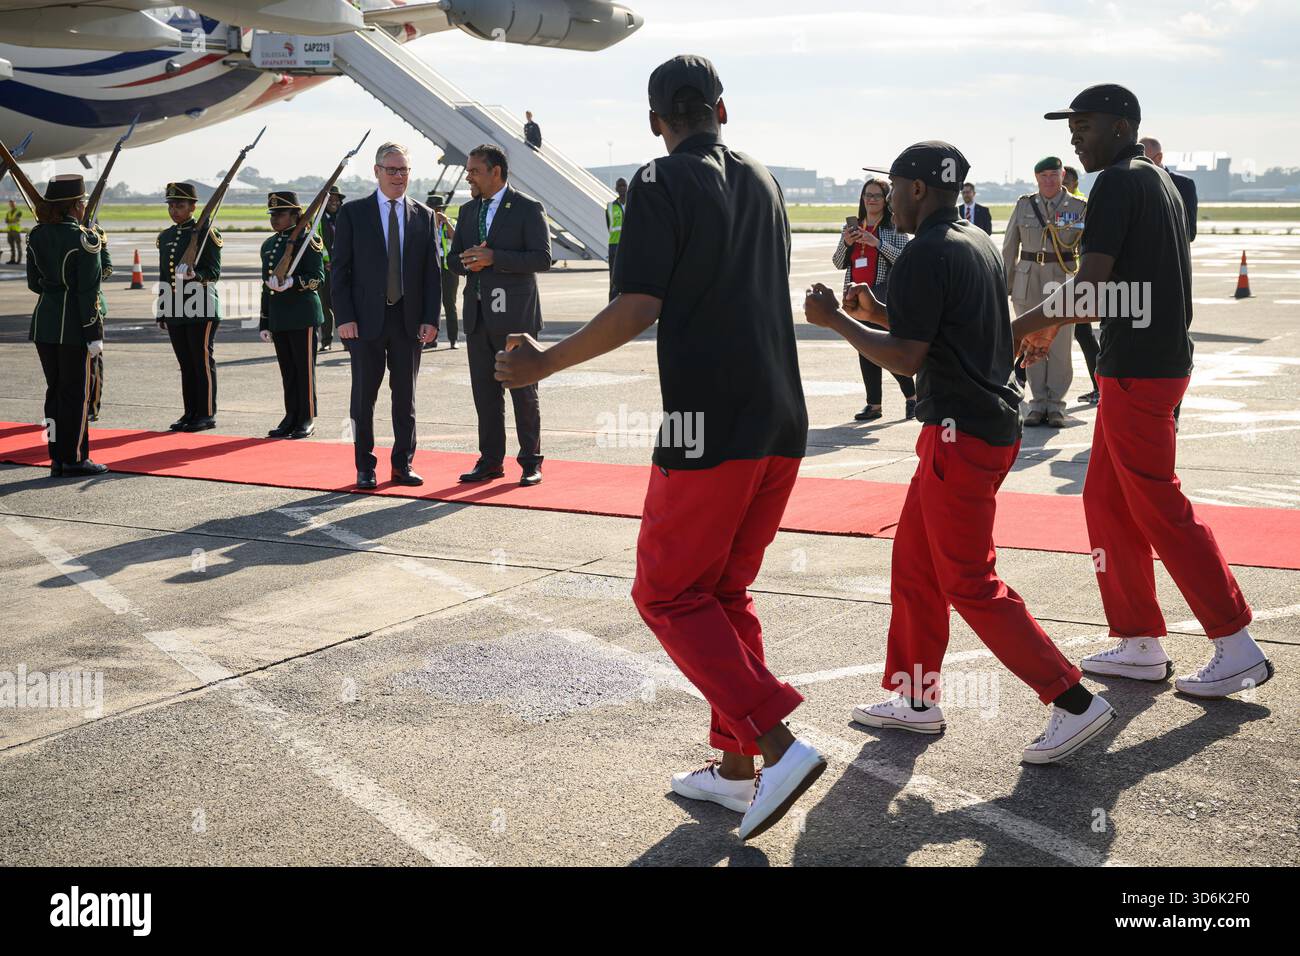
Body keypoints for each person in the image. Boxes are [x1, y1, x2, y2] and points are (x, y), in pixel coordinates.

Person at [495, 55, 827, 841]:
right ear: (722, 107)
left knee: (667, 594)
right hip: (782, 417)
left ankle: (777, 744)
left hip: (706, 422)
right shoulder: (764, 178)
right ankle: (739, 766)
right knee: (721, 594)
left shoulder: (654, 182)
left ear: (655, 121)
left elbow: (637, 304)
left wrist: (541, 362)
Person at [804, 141, 1114, 764]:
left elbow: (908, 358)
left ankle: (1074, 700)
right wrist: (877, 311)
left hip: (960, 433)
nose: (887, 197)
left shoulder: (923, 252)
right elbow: (936, 328)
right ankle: (916, 698)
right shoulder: (970, 239)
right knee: (915, 564)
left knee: (968, 580)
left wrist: (836, 320)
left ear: (917, 189)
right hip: (978, 426)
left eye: (892, 186)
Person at [1015, 84, 1273, 699]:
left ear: (1122, 127)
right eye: (1070, 125)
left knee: (1158, 504)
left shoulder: (1120, 183)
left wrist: (1018, 326)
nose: (1074, 136)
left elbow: (1092, 281)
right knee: (1105, 500)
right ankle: (1138, 641)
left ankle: (1236, 644)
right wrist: (1050, 321)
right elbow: (1111, 287)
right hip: (1140, 360)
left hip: (1142, 367)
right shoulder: (1151, 178)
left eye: (1084, 125)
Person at [331, 141, 441, 490]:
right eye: (391, 169)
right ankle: (365, 466)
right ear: (376, 171)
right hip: (364, 322)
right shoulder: (354, 213)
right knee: (363, 397)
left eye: (404, 170)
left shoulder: (423, 215)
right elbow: (340, 271)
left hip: (408, 322)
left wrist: (431, 318)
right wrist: (344, 317)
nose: (398, 176)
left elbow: (432, 273)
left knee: (404, 398)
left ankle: (403, 464)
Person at [448, 144, 550, 487]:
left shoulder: (526, 208)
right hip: (477, 316)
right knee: (485, 394)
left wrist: (494, 257)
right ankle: (490, 461)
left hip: (515, 320)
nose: (468, 176)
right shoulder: (466, 212)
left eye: (474, 170)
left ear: (496, 172)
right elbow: (453, 260)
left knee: (523, 392)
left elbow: (541, 259)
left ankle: (530, 461)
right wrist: (467, 260)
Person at [25, 174, 108, 476]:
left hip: (44, 323)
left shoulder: (36, 235)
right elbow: (88, 292)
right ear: (75, 205)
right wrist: (93, 332)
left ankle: (56, 457)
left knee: (54, 393)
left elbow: (35, 284)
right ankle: (74, 458)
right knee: (76, 394)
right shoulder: (84, 239)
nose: (85, 207)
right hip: (73, 325)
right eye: (83, 202)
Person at [1001, 156, 1086, 427]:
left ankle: (1057, 405)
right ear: (1036, 178)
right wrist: (1007, 283)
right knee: (1029, 342)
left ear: (1063, 176)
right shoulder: (1024, 204)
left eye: (1054, 174)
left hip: (1061, 278)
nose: (1048, 180)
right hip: (1028, 278)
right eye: (1043, 175)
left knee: (1060, 345)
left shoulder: (1078, 207)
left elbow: (1087, 248)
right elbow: (1009, 247)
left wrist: (1085, 287)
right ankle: (1037, 404)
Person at [831, 176, 915, 421]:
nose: (871, 200)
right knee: (865, 349)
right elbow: (838, 263)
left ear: (886, 199)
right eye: (867, 195)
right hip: (855, 297)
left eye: (877, 195)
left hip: (882, 296)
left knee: (885, 350)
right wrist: (847, 243)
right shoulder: (853, 226)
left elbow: (904, 261)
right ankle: (874, 404)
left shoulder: (894, 227)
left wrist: (876, 243)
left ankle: (912, 397)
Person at [156, 181, 222, 432]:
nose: (174, 210)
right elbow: (164, 275)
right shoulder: (167, 236)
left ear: (193, 206)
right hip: (175, 307)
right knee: (185, 362)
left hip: (201, 306)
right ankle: (190, 411)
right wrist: (162, 309)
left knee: (201, 361)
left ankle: (205, 413)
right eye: (171, 205)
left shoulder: (206, 234)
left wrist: (195, 275)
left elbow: (214, 272)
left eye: (180, 205)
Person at [259, 191, 325, 439]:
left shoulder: (309, 241)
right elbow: (265, 285)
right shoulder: (269, 245)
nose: (275, 219)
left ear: (296, 215)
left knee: (304, 369)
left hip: (302, 314)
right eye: (272, 214)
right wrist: (264, 320)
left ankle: (306, 417)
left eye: (281, 214)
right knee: (287, 369)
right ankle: (291, 415)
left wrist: (293, 282)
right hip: (279, 317)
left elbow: (318, 279)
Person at [1139, 137, 1197, 241]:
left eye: (1144, 160)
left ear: (1159, 157)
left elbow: (1190, 232)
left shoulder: (1184, 184)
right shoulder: (1135, 183)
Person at [428, 191, 459, 349]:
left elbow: (457, 238)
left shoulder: (450, 222)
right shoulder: (425, 223)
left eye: (438, 209)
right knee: (432, 304)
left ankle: (453, 339)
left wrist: (446, 222)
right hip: (432, 267)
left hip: (448, 268)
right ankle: (430, 340)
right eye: (433, 209)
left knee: (449, 304)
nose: (436, 212)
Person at [316, 185, 344, 351]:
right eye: (330, 199)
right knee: (325, 307)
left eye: (336, 199)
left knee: (342, 305)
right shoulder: (316, 221)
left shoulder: (347, 218)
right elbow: (314, 243)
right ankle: (326, 341)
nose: (333, 202)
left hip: (343, 269)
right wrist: (324, 262)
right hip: (324, 269)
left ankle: (348, 341)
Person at [606, 177, 627, 300]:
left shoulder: (634, 204)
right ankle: (612, 305)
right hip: (614, 246)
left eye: (624, 185)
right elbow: (609, 225)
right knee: (613, 279)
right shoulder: (610, 207)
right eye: (620, 186)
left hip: (631, 246)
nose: (622, 188)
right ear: (616, 189)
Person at [5, 198, 21, 263]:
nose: (11, 204)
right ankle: (12, 259)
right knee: (12, 247)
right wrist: (11, 220)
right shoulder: (8, 212)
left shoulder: (18, 211)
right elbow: (6, 221)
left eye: (13, 203)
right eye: (10, 203)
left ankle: (18, 260)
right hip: (9, 231)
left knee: (18, 246)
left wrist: (9, 221)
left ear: (15, 204)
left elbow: (16, 220)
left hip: (16, 231)